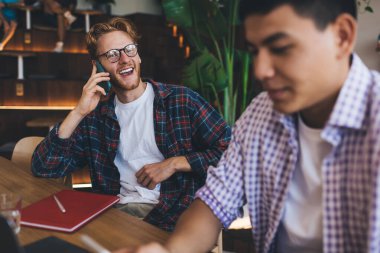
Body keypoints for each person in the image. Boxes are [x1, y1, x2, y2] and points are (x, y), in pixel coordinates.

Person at [112, 0, 380, 252]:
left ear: (342, 36)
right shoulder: (261, 113)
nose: (260, 70)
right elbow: (215, 201)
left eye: (281, 48)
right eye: (255, 51)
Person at [31, 17, 231, 232]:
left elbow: (233, 153)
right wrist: (79, 111)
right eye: (112, 55)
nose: (124, 59)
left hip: (170, 216)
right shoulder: (95, 118)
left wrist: (175, 163)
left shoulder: (181, 101)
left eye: (129, 49)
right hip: (113, 214)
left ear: (139, 54)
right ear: (97, 66)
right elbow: (44, 167)